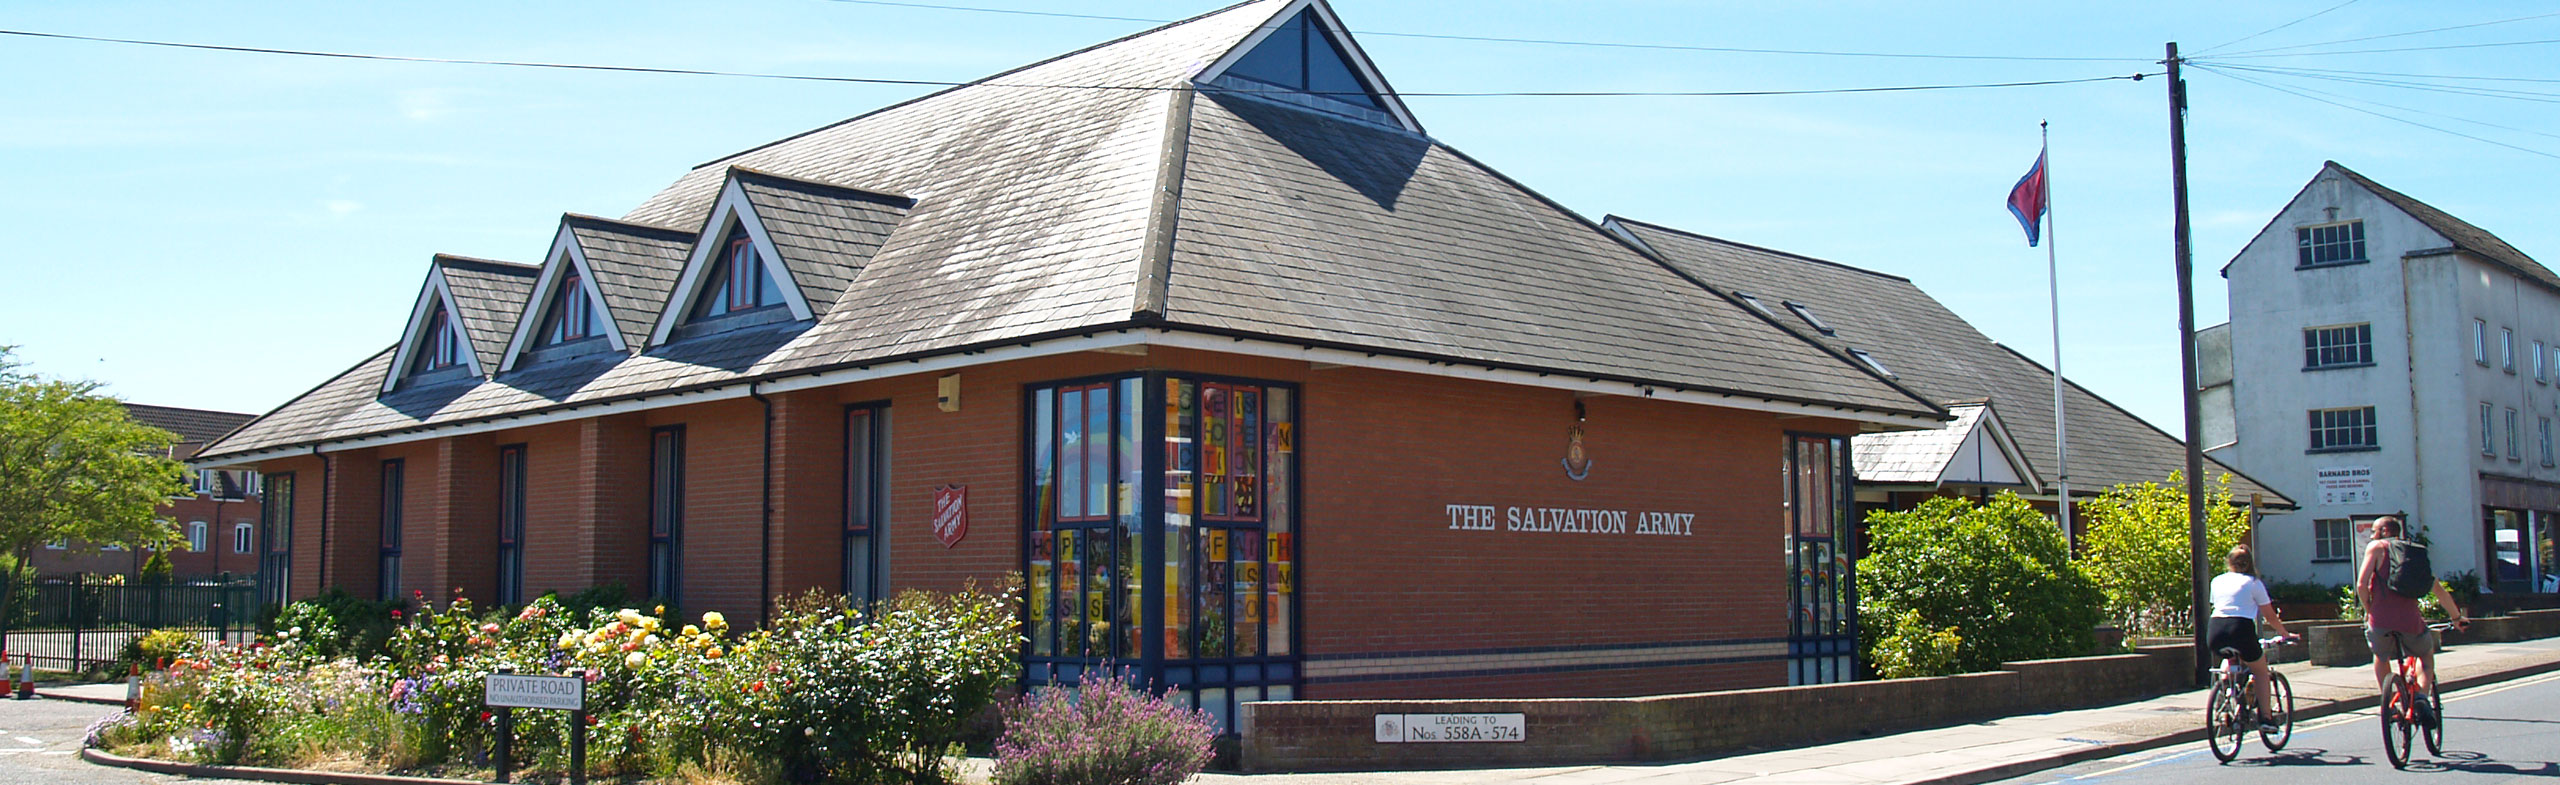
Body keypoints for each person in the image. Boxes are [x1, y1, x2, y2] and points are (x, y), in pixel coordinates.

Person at [2358, 516, 2471, 724]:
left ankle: (2389, 703)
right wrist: (2456, 617)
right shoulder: (2413, 553)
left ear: (2383, 531)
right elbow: (2438, 590)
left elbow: (2361, 585)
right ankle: (2421, 698)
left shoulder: (2376, 548)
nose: (2371, 536)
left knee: (2381, 656)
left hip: (2380, 620)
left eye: (2373, 531)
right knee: (2425, 656)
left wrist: (2369, 610)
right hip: (2410, 621)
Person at [2205, 545, 2293, 728]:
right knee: (2261, 671)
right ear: (2250, 563)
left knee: (2230, 659)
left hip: (2215, 630)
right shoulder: (2254, 583)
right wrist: (2284, 633)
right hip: (2241, 629)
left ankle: (2225, 696)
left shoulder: (2217, 581)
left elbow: (2219, 604)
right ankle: (2266, 718)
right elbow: (2269, 615)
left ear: (2228, 562)